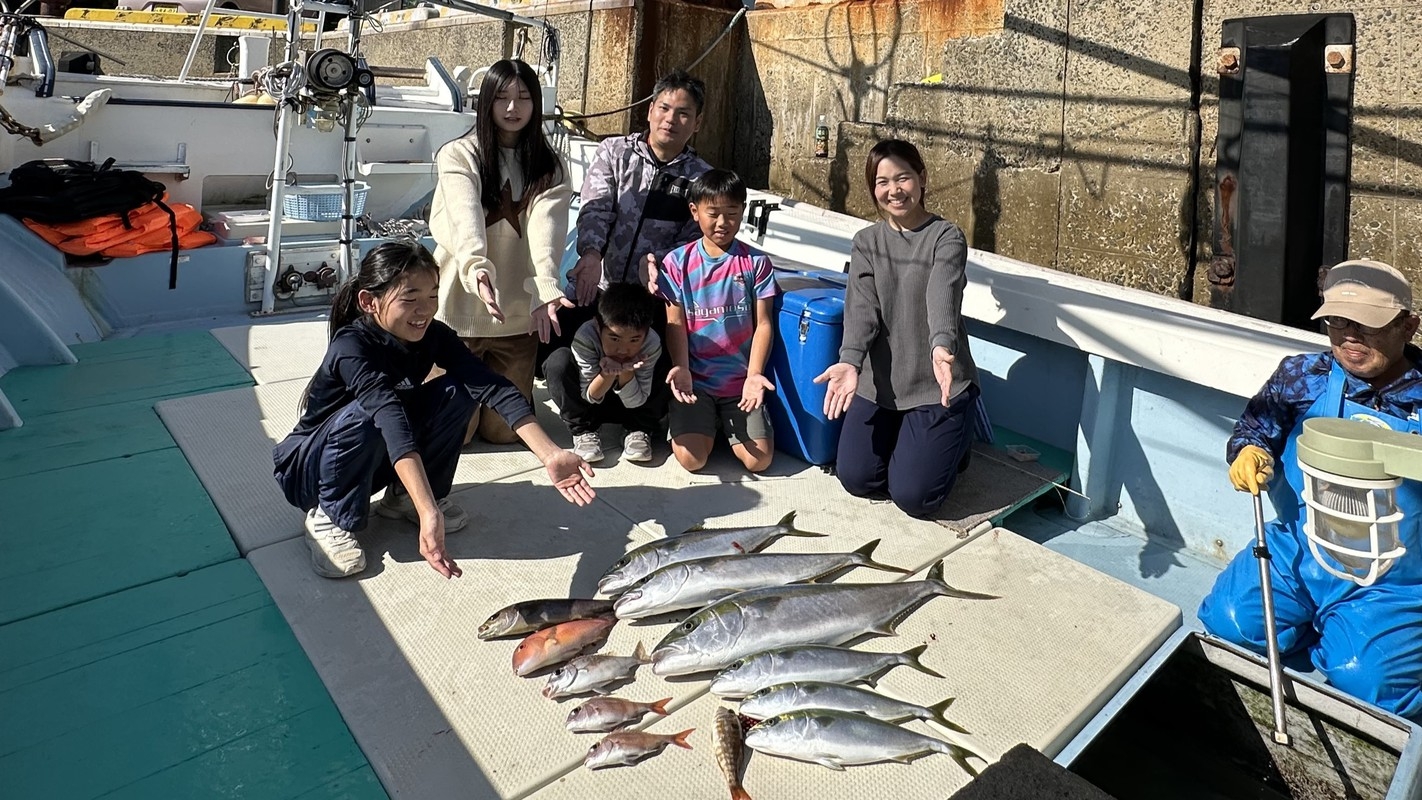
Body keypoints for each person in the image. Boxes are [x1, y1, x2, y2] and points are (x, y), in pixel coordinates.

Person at [272, 241, 595, 580]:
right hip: (311, 469)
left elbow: (490, 385)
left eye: (432, 296)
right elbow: (388, 416)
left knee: (457, 391)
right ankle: (329, 515)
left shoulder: (434, 335)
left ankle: (402, 499)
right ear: (369, 301)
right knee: (373, 415)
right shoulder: (351, 346)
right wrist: (430, 513)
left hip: (373, 452)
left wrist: (550, 454)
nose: (424, 309)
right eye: (409, 299)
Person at [1199, 259, 1422, 722]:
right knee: (1229, 622)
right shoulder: (1303, 375)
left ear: (1408, 326)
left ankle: (1358, 635)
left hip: (1394, 580)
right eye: (1337, 322)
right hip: (1301, 547)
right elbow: (1254, 428)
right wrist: (1248, 452)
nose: (1349, 338)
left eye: (1368, 325)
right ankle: (1319, 624)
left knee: (1366, 682)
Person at [814, 139, 982, 518]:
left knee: (914, 498)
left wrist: (942, 344)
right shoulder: (867, 242)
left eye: (903, 178)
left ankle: (958, 439)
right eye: (882, 182)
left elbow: (943, 291)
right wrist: (850, 361)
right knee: (857, 479)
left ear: (921, 178)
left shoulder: (946, 237)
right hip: (881, 383)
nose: (893, 190)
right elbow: (862, 308)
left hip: (935, 382)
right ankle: (915, 445)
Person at [430, 58, 572, 445]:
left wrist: (545, 284)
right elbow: (463, 214)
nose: (513, 108)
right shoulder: (459, 154)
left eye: (524, 97)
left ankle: (498, 398)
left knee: (504, 432)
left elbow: (547, 226)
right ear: (487, 103)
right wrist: (477, 268)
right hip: (457, 314)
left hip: (515, 319)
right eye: (502, 98)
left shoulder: (551, 166)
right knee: (455, 433)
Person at [540, 68, 711, 362]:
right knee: (547, 346)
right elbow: (596, 206)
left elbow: (695, 240)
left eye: (683, 113)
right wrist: (591, 254)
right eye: (664, 108)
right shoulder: (614, 152)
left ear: (697, 123)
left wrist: (658, 260)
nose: (670, 119)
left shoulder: (701, 179)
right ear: (650, 111)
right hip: (597, 288)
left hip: (651, 301)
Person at [658, 169, 778, 473]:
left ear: (743, 211)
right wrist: (682, 368)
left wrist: (754, 375)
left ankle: (728, 425)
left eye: (732, 213)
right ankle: (702, 423)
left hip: (740, 384)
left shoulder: (757, 263)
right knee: (692, 460)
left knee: (759, 460)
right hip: (695, 383)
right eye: (713, 213)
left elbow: (763, 324)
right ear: (695, 212)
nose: (723, 223)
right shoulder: (676, 263)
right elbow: (675, 322)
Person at [544, 283, 665, 464]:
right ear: (598, 325)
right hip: (593, 402)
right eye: (614, 338)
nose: (623, 349)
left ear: (647, 331)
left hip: (634, 404)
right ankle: (584, 431)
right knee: (557, 362)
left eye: (634, 339)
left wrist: (626, 373)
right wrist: (608, 373)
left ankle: (639, 429)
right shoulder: (586, 336)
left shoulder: (651, 342)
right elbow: (590, 396)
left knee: (669, 366)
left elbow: (637, 400)